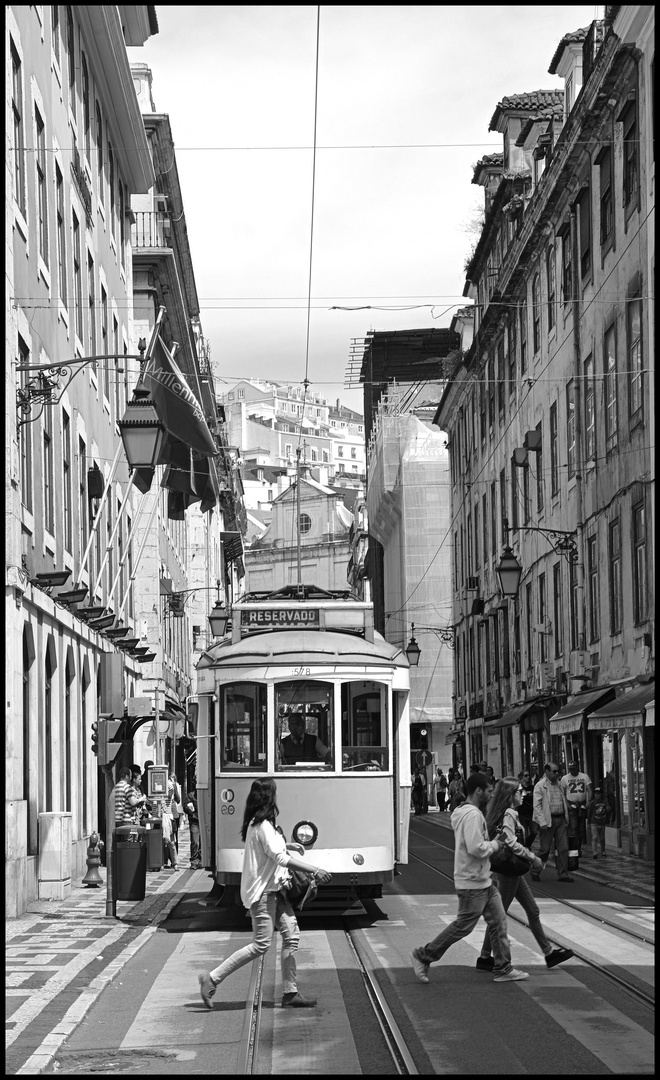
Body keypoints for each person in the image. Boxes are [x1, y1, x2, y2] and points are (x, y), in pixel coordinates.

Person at [198, 778, 332, 1009]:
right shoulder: (262, 826)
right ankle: (211, 978)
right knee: (260, 945)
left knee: (291, 935)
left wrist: (288, 845)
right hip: (264, 894)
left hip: (276, 891)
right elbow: (278, 857)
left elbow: (272, 850)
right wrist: (315, 870)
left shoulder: (258, 824)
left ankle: (290, 993)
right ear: (269, 799)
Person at [410, 772, 529, 984]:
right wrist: (496, 844)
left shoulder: (467, 813)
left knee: (499, 922)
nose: (492, 796)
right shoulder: (473, 816)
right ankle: (423, 955)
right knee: (463, 926)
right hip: (472, 881)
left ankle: (502, 967)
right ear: (478, 791)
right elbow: (476, 848)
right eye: (489, 792)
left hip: (482, 879)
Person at [476, 777, 574, 970]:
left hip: (512, 870)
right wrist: (532, 857)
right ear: (510, 795)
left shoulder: (505, 813)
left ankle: (548, 953)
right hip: (509, 872)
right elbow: (510, 841)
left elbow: (504, 836)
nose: (523, 794)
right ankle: (486, 957)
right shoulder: (510, 813)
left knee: (532, 911)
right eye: (519, 791)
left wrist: (504, 839)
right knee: (499, 915)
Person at [531, 762, 573, 882]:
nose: (557, 774)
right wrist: (542, 822)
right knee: (545, 849)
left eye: (557, 771)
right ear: (547, 772)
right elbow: (537, 806)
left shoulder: (560, 784)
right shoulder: (540, 786)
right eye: (554, 771)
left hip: (560, 820)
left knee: (563, 848)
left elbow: (563, 800)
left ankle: (563, 874)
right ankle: (535, 870)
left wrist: (566, 817)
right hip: (548, 821)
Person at [560, 761, 592, 855]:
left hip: (582, 806)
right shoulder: (565, 778)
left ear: (577, 767)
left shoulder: (584, 777)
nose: (572, 771)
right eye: (570, 769)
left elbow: (589, 790)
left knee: (581, 829)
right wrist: (567, 805)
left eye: (573, 769)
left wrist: (588, 801)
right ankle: (574, 848)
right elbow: (563, 794)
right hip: (572, 806)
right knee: (573, 827)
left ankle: (578, 847)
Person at [160, 773, 179, 870]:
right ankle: (163, 862)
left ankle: (174, 862)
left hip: (167, 816)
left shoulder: (169, 785)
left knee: (170, 840)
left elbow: (171, 789)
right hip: (160, 815)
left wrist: (166, 781)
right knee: (163, 841)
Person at [516, 769, 538, 848]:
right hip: (522, 814)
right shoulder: (519, 788)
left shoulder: (532, 788)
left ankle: (526, 846)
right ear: (522, 777)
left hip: (531, 814)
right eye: (526, 775)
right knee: (524, 833)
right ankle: (524, 848)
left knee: (534, 832)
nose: (528, 777)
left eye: (529, 775)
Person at [586, 786, 609, 859]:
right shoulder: (593, 803)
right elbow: (589, 812)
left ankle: (603, 851)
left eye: (598, 794)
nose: (597, 795)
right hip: (594, 823)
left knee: (602, 838)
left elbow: (608, 810)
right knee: (595, 837)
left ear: (601, 794)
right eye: (596, 793)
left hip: (602, 823)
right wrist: (589, 822)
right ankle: (594, 852)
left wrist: (607, 820)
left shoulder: (604, 802)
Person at [184, 787, 202, 869]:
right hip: (194, 821)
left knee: (202, 842)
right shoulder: (190, 796)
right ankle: (194, 861)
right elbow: (185, 807)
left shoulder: (205, 795)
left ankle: (201, 860)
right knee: (195, 841)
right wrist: (190, 811)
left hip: (203, 821)